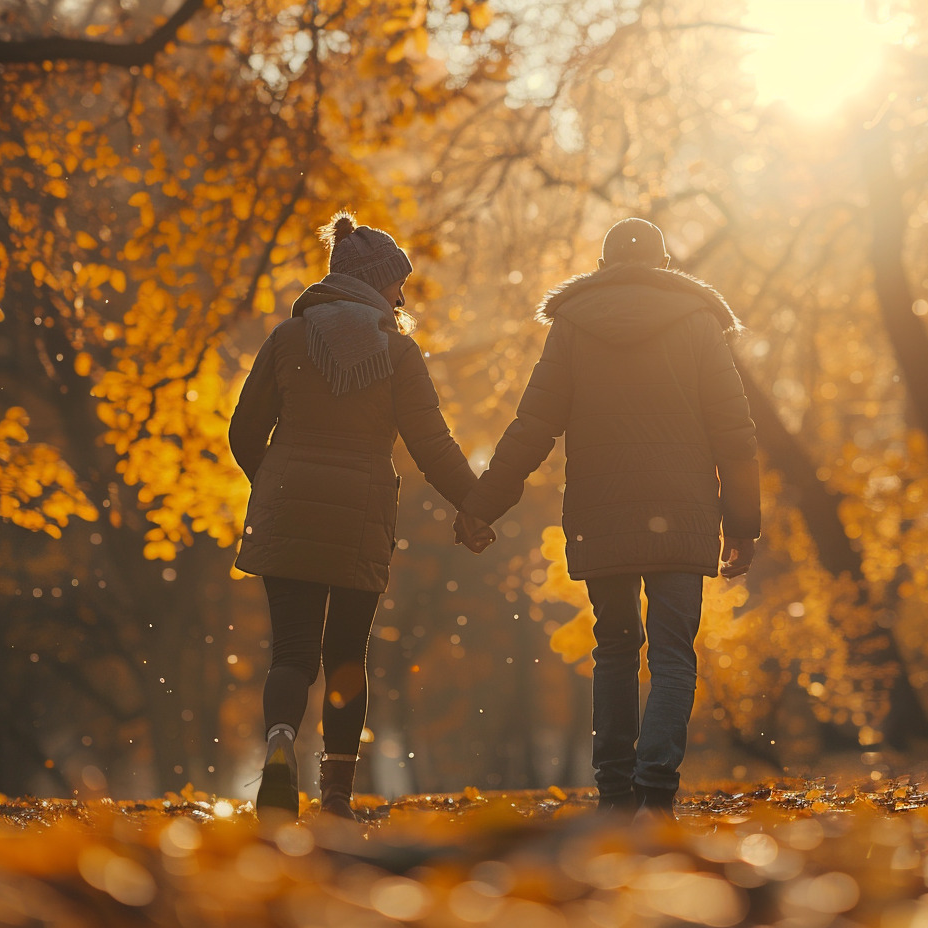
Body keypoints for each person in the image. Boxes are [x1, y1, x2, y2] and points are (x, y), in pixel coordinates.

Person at [455, 218, 759, 817]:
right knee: (673, 654)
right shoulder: (698, 322)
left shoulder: (574, 326)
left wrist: (481, 506)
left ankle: (616, 792)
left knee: (616, 649)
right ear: (665, 263)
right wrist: (743, 526)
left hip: (603, 514)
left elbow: (533, 426)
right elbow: (735, 434)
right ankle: (656, 789)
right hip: (683, 513)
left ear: (602, 265)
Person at [230, 210, 494, 822]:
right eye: (396, 282)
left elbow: (244, 431)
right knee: (347, 654)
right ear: (377, 284)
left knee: (291, 652)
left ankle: (279, 744)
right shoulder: (397, 353)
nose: (402, 294)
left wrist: (273, 481)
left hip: (287, 509)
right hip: (359, 519)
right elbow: (434, 448)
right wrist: (477, 507)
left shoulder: (287, 339)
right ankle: (338, 797)